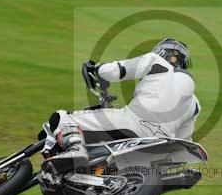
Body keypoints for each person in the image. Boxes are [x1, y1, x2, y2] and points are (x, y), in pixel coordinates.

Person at [41, 39, 201, 173]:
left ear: (161, 52)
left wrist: (97, 69)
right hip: (159, 145)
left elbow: (118, 70)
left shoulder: (155, 61)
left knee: (63, 118)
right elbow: (184, 139)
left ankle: (76, 149)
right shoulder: (194, 104)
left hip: (131, 122)